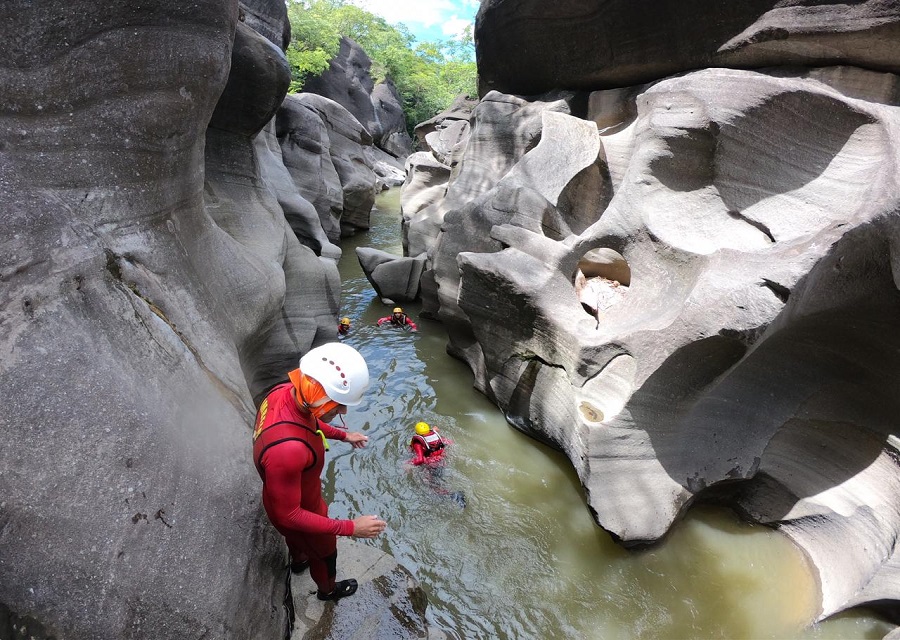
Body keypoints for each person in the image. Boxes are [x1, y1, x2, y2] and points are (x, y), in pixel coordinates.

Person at [253, 343, 387, 602]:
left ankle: (299, 562)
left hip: (282, 495)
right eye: (339, 404)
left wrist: (344, 435)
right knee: (326, 556)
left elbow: (308, 423)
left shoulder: (283, 393)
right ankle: (328, 591)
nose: (344, 411)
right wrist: (349, 527)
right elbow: (290, 515)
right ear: (318, 392)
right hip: (301, 513)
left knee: (296, 543)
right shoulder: (288, 450)